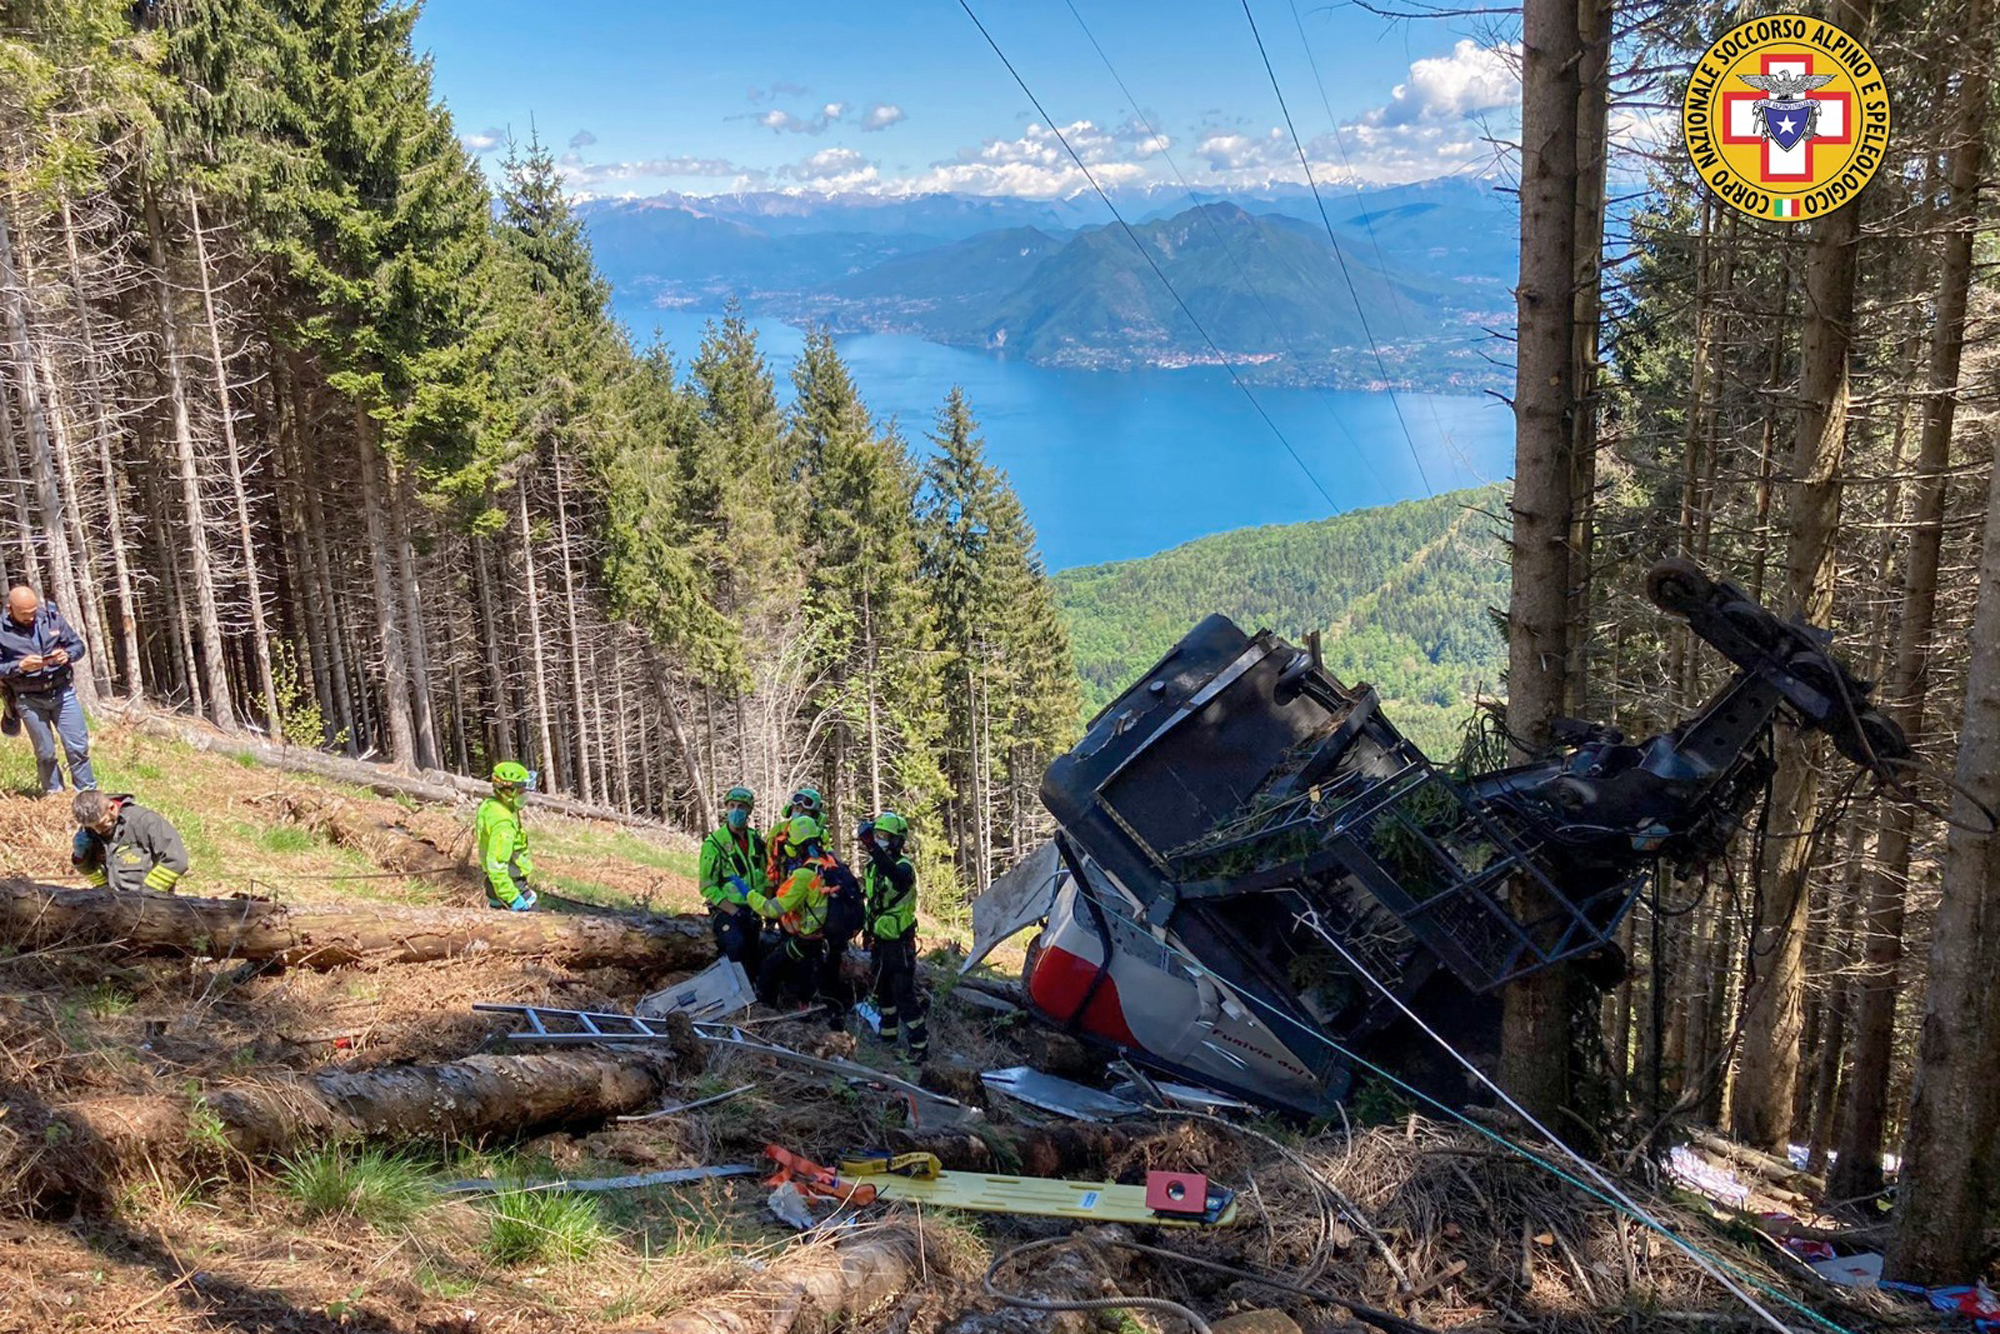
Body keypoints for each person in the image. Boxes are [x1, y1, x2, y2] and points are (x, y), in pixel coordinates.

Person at [748, 812, 845, 1017]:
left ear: (796, 845)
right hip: (827, 938)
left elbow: (772, 909)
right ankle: (811, 1009)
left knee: (769, 967)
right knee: (806, 978)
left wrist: (749, 895)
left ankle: (763, 1014)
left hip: (808, 939)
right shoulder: (830, 863)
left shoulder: (804, 875)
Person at [0, 586, 93, 795]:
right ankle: (54, 794)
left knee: (78, 747)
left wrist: (67, 655)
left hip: (62, 692)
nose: (31, 618)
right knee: (45, 753)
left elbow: (78, 646)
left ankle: (87, 794)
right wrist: (20, 666)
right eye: (25, 615)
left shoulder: (52, 618)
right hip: (28, 698)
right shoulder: (1, 632)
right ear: (9, 609)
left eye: (33, 612)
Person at [857, 811, 928, 1059]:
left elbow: (897, 880)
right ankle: (887, 1035)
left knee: (903, 993)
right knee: (882, 990)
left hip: (899, 942)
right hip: (879, 939)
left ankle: (919, 1046)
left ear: (897, 840)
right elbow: (872, 902)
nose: (879, 840)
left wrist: (873, 849)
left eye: (884, 836)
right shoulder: (872, 868)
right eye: (877, 836)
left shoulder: (903, 867)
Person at [699, 784, 768, 968]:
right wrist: (733, 911)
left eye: (741, 806)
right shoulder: (714, 843)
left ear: (749, 810)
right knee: (735, 948)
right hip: (727, 911)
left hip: (753, 910)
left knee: (754, 958)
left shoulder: (756, 841)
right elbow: (707, 886)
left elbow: (765, 875)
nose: (736, 811)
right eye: (732, 806)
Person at [71, 790, 188, 894]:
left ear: (111, 808)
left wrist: (147, 894)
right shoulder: (88, 829)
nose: (98, 831)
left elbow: (176, 861)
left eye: (102, 824)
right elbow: (96, 874)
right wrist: (81, 859)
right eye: (93, 827)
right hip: (113, 904)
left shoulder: (145, 821)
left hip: (150, 904)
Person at [477, 761, 539, 910]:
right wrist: (512, 897)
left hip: (496, 884)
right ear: (507, 792)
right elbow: (497, 864)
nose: (524, 795)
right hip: (509, 884)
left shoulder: (491, 806)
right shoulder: (503, 823)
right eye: (521, 791)